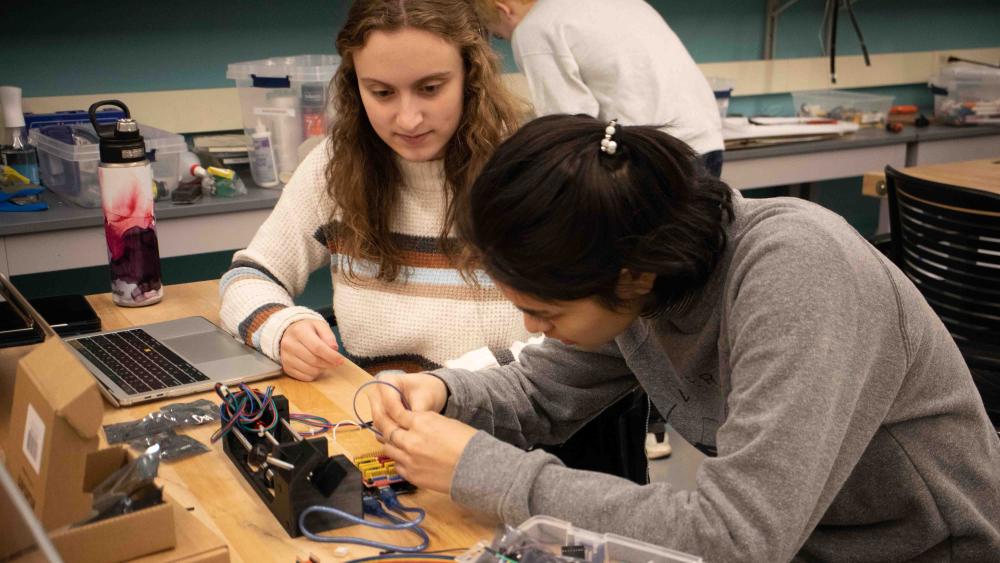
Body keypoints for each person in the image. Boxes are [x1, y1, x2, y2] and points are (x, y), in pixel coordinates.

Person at [366, 114, 1000, 561]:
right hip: (801, 542)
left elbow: (735, 540)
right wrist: (443, 394)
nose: (532, 330)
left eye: (544, 313)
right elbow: (543, 391)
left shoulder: (798, 272)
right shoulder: (642, 265)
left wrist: (488, 472)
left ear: (633, 275)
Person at [220, 0, 533, 380]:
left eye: (431, 88)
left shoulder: (527, 167)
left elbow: (573, 350)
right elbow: (249, 275)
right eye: (382, 93)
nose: (408, 119)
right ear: (356, 87)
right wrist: (281, 328)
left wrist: (445, 388)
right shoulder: (335, 164)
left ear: (471, 74)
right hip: (374, 419)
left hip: (493, 423)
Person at [471, 0, 724, 177]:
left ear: (504, 10)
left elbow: (570, 127)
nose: (507, 38)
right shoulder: (614, 4)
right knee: (693, 249)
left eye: (500, 35)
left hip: (651, 158)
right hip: (705, 142)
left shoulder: (533, 27)